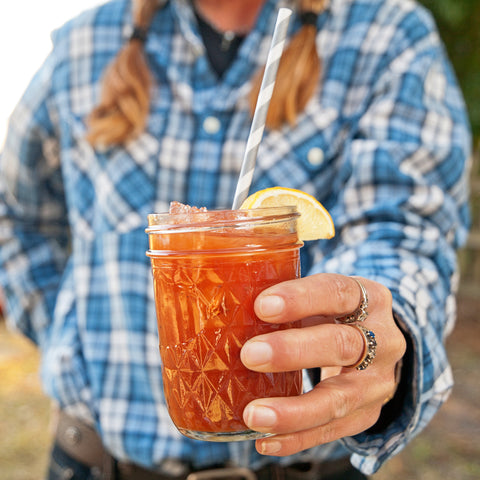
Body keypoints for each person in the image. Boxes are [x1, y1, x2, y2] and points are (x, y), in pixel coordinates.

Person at [0, 0, 471, 479]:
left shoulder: (386, 32)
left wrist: (368, 335)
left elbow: (403, 227)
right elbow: (13, 213)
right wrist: (64, 332)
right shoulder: (84, 44)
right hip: (96, 464)